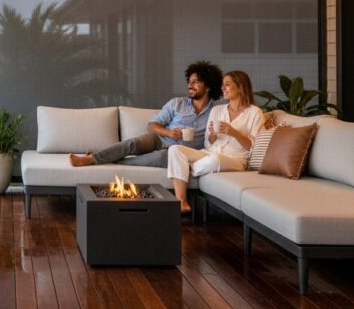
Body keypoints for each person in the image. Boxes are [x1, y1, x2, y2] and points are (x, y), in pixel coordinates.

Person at [69, 61, 223, 168]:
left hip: (180, 152)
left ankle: (115, 161)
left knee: (163, 157)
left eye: (195, 82)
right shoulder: (177, 103)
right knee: (133, 144)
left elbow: (212, 140)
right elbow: (152, 125)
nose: (190, 85)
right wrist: (169, 132)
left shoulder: (215, 113)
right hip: (159, 139)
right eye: (189, 81)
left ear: (208, 86)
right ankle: (91, 158)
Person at [167, 70, 264, 213]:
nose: (222, 88)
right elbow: (208, 143)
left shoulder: (255, 113)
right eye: (222, 85)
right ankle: (182, 202)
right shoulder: (217, 110)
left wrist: (234, 133)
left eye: (227, 85)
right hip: (209, 153)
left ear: (241, 87)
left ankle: (183, 170)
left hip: (236, 160)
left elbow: (253, 148)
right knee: (175, 149)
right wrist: (212, 136)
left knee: (216, 159)